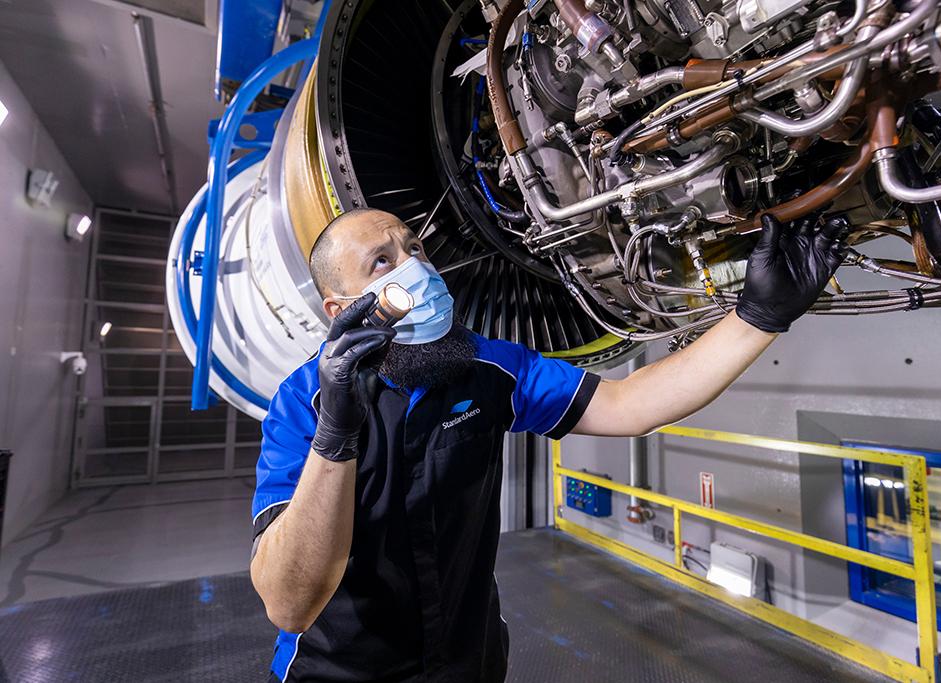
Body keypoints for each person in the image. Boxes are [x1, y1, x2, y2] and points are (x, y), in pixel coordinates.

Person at [249, 208, 849, 682]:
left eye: (415, 247)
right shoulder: (300, 403)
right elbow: (289, 604)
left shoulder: (488, 369)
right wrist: (335, 435)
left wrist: (759, 316)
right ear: (340, 309)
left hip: (469, 664)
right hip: (341, 672)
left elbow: (628, 403)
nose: (416, 267)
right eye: (383, 262)